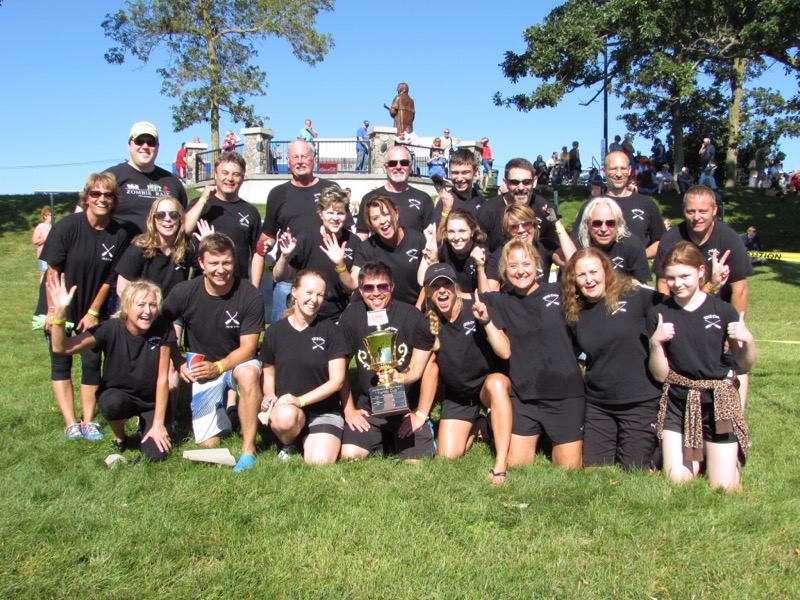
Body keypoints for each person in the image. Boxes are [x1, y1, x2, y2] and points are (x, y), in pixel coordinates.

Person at [647, 241, 755, 492]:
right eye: (671, 278)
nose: (677, 283)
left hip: (717, 402)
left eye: (685, 276)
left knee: (723, 487)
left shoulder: (723, 311)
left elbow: (745, 362)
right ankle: (702, 452)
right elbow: (660, 375)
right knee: (677, 480)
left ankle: (723, 457)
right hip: (679, 400)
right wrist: (656, 343)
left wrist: (748, 340)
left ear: (701, 272)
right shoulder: (659, 314)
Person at [36, 173, 131, 441]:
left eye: (108, 195)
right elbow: (52, 272)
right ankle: (70, 423)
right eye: (96, 194)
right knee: (60, 362)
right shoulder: (67, 227)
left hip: (92, 309)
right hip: (59, 304)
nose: (102, 199)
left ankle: (88, 421)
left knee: (91, 363)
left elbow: (110, 280)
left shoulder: (119, 233)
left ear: (114, 199)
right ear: (86, 197)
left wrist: (93, 312)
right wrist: (53, 311)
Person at [161, 233, 264, 472]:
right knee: (208, 443)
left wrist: (218, 367)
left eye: (226, 262)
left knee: (248, 374)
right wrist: (178, 360)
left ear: (234, 261)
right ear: (201, 263)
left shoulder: (250, 294)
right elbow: (161, 327)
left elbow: (249, 347)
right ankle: (231, 413)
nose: (221, 269)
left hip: (237, 363)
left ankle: (248, 451)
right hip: (203, 368)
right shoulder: (183, 292)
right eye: (214, 263)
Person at [47, 275, 176, 461]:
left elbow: (163, 378)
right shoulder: (109, 329)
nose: (147, 311)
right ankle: (120, 437)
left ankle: (147, 427)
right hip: (119, 396)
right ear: (126, 307)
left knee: (156, 455)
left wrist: (158, 423)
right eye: (141, 305)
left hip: (151, 401)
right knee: (111, 402)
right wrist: (59, 314)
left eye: (152, 305)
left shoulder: (162, 327)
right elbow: (62, 347)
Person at [482, 240, 586, 469]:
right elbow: (473, 296)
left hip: (564, 395)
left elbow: (579, 265)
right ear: (504, 270)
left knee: (568, 468)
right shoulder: (499, 301)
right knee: (517, 464)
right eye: (513, 266)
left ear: (537, 265)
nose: (520, 271)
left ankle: (553, 435)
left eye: (526, 264)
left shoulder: (558, 291)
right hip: (525, 397)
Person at [411, 264, 513, 484]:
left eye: (446, 284)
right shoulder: (426, 323)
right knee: (448, 455)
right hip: (458, 395)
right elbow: (416, 369)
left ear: (455, 287)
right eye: (435, 286)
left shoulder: (477, 307)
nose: (442, 290)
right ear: (427, 291)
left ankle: (500, 463)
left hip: (487, 387)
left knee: (496, 384)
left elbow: (505, 351)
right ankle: (481, 424)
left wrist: (486, 321)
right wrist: (396, 376)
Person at [561, 248, 663, 470]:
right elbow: (578, 353)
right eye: (581, 275)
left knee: (634, 470)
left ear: (606, 271)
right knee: (594, 469)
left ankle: (660, 449)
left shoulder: (637, 296)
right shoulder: (575, 312)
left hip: (640, 401)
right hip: (600, 404)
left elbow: (678, 309)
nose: (589, 280)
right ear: (574, 280)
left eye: (593, 272)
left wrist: (710, 287)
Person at [653, 185, 754, 405]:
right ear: (684, 211)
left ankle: (736, 418)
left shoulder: (729, 239)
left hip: (720, 313)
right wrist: (668, 319)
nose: (696, 217)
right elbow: (662, 284)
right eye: (691, 211)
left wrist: (734, 331)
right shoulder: (671, 239)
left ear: (714, 210)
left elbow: (740, 289)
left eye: (702, 211)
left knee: (734, 362)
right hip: (680, 312)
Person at [338, 262, 436, 461]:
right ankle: (385, 441)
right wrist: (349, 410)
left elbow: (427, 366)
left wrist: (420, 414)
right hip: (369, 411)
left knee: (415, 463)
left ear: (392, 287)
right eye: (368, 288)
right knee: (349, 455)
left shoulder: (411, 316)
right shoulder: (351, 316)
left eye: (382, 286)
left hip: (407, 411)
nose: (376, 293)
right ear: (360, 290)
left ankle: (400, 439)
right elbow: (340, 368)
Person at [252, 140, 351, 321]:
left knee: (327, 333)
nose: (299, 161)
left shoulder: (330, 188)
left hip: (325, 277)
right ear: (288, 161)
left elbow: (347, 229)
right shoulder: (278, 193)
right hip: (289, 277)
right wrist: (265, 245)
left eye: (304, 156)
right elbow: (269, 234)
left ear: (313, 159)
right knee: (284, 333)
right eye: (295, 157)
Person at [259, 270, 348, 464]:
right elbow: (268, 373)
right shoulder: (275, 332)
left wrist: (300, 400)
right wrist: (269, 395)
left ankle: (308, 438)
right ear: (294, 292)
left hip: (324, 410)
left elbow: (337, 381)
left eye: (320, 295)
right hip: (288, 409)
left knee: (319, 461)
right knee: (285, 417)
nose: (314, 299)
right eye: (309, 292)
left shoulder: (332, 331)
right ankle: (288, 441)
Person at [274, 185, 362, 321]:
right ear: (321, 213)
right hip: (306, 311)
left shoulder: (353, 242)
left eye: (340, 213)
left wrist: (340, 264)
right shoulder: (306, 239)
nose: (335, 218)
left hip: (338, 315)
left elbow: (352, 287)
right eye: (330, 213)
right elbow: (278, 276)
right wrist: (284, 257)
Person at [572, 150, 666, 259]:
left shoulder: (646, 204)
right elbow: (575, 243)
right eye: (613, 169)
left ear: (629, 170)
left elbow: (661, 241)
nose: (619, 174)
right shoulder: (592, 206)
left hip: (636, 269)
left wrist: (640, 256)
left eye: (623, 169)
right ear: (604, 171)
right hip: (600, 268)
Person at [184, 152, 261, 280]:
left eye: (236, 174)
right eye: (225, 173)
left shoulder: (250, 212)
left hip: (238, 283)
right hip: (203, 282)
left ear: (242, 178)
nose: (230, 178)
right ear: (216, 175)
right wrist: (203, 199)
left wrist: (255, 286)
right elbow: (185, 229)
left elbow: (257, 252)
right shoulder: (201, 205)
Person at [104, 121, 188, 234]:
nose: (145, 146)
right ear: (129, 145)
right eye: (139, 141)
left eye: (151, 142)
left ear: (157, 146)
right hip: (122, 245)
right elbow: (88, 216)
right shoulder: (111, 177)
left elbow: (184, 221)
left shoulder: (172, 181)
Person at [352, 195, 433, 305]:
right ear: (370, 223)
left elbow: (427, 283)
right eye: (375, 218)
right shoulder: (366, 248)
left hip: (416, 307)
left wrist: (417, 310)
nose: (382, 221)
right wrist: (340, 266)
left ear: (396, 214)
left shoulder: (418, 240)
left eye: (386, 214)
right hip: (381, 309)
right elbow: (353, 283)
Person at [484, 204, 575, 291]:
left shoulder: (544, 245)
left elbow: (573, 261)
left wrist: (556, 222)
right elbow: (490, 293)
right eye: (514, 226)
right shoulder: (499, 256)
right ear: (507, 230)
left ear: (534, 225)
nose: (521, 230)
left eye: (526, 224)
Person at [478, 158, 562, 253]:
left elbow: (562, 254)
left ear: (534, 181)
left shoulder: (545, 209)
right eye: (515, 182)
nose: (521, 187)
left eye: (526, 182)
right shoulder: (487, 212)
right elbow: (480, 253)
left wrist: (557, 223)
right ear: (506, 183)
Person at [355, 145, 435, 240]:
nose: (398, 167)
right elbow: (361, 237)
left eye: (404, 163)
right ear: (385, 168)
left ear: (411, 167)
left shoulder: (423, 199)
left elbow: (431, 237)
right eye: (392, 163)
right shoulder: (370, 199)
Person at [570, 197, 651, 284]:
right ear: (587, 224)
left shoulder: (632, 245)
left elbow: (641, 286)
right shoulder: (576, 247)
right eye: (597, 223)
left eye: (610, 223)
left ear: (618, 223)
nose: (604, 229)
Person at [432, 209, 489, 296]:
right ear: (446, 233)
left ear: (472, 231)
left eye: (462, 231)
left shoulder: (483, 253)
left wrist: (480, 267)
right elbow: (421, 282)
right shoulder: (440, 248)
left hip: (474, 303)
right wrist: (430, 259)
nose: (456, 237)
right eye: (451, 232)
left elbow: (488, 297)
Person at [435, 149, 484, 230]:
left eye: (465, 172)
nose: (459, 178)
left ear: (475, 171)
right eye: (455, 173)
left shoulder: (479, 198)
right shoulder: (445, 201)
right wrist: (445, 211)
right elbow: (437, 236)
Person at [32, 206, 52, 282]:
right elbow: (34, 241)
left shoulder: (54, 227)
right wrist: (46, 238)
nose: (53, 217)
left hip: (53, 252)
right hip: (43, 253)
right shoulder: (40, 227)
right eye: (51, 215)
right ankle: (42, 288)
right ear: (45, 216)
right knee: (43, 273)